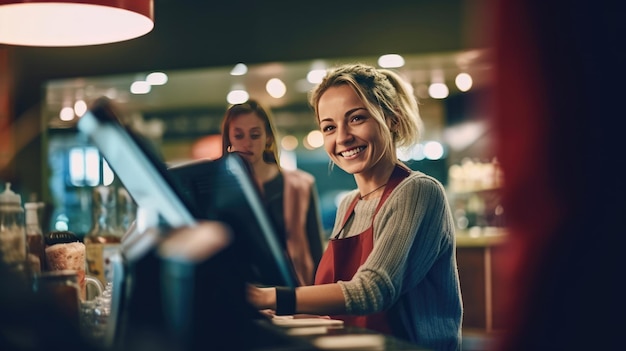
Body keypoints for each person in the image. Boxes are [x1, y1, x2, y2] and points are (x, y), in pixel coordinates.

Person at [247, 63, 463, 351]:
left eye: (357, 118)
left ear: (392, 119)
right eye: (329, 127)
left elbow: (372, 290)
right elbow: (342, 308)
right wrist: (279, 311)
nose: (342, 137)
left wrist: (269, 297)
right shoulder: (349, 204)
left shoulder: (417, 191)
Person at [220, 99, 324, 286]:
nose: (246, 144)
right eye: (238, 135)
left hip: (294, 293)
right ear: (229, 139)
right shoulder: (219, 191)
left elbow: (316, 252)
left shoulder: (301, 184)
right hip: (243, 293)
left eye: (255, 135)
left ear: (267, 137)